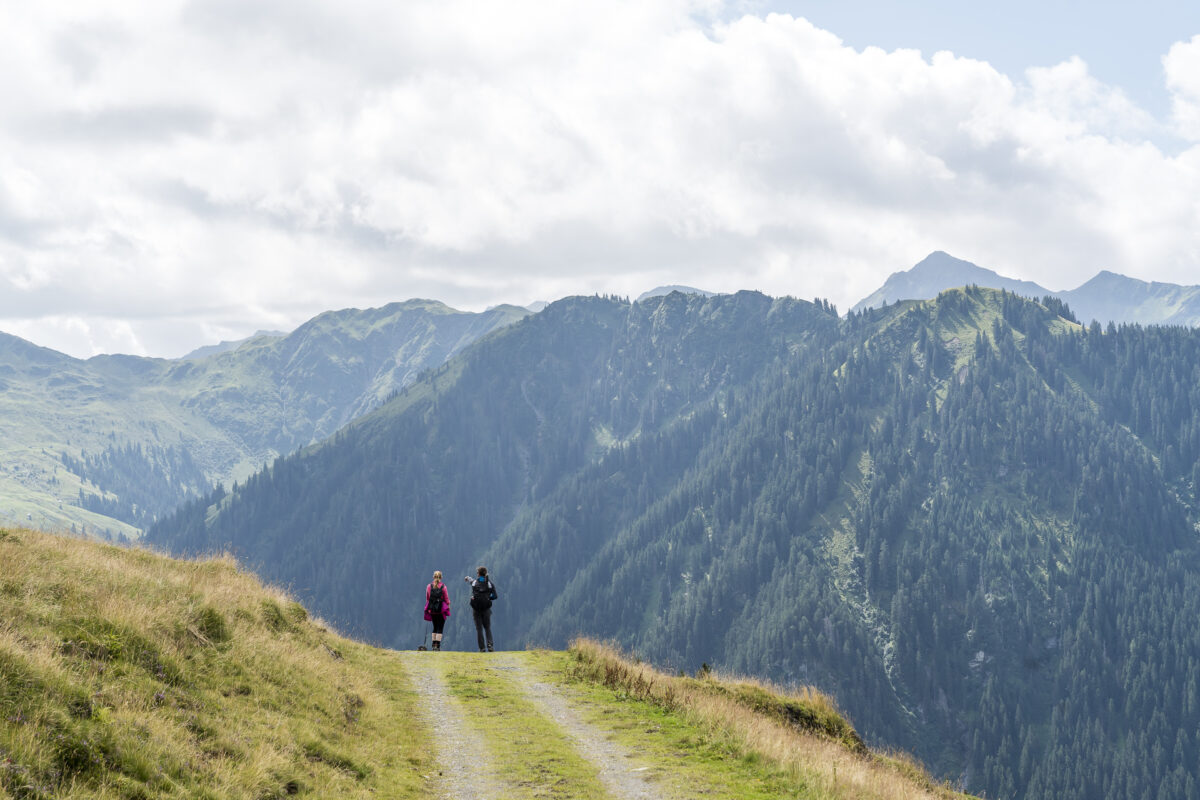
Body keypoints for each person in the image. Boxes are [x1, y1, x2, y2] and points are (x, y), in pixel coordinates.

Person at [464, 566, 498, 652]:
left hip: (476, 609)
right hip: (486, 609)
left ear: (478, 574)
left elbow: (471, 581)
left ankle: (482, 648)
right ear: (485, 573)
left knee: (479, 629)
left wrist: (467, 578)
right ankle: (490, 645)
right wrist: (488, 597)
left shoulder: (475, 583)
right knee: (487, 628)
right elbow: (495, 596)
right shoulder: (489, 584)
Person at [424, 571, 450, 651]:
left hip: (432, 610)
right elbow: (446, 599)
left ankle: (433, 644)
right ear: (441, 578)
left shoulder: (429, 586)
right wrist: (448, 606)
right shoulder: (443, 587)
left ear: (433, 577)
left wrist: (428, 608)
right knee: (440, 627)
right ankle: (437, 645)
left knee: (435, 626)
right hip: (440, 610)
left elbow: (428, 598)